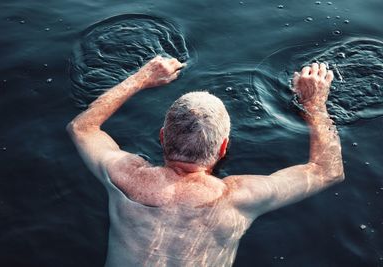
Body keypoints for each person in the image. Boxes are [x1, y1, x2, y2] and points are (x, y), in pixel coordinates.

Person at [67, 56, 344, 267]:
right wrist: (315, 104)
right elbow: (327, 170)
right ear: (224, 146)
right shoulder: (238, 198)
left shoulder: (125, 177)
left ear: (162, 137)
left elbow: (82, 128)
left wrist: (141, 78)